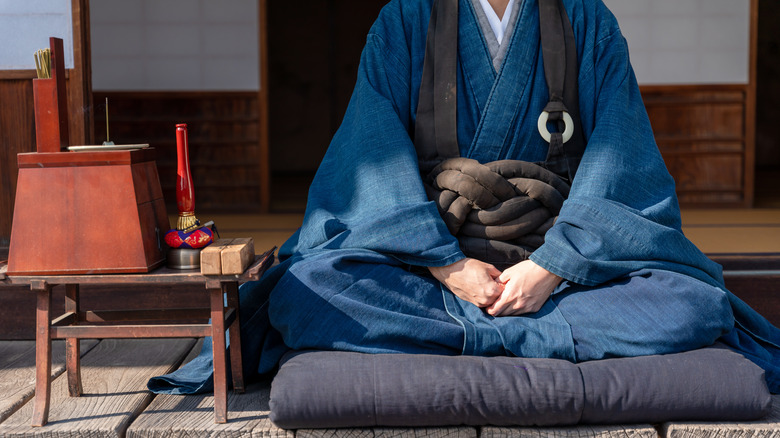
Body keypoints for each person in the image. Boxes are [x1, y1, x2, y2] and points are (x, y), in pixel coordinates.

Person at [149, 0, 780, 394]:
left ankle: (471, 332)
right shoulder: (404, 19)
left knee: (691, 303)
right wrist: (446, 267)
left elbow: (622, 158)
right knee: (307, 292)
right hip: (433, 256)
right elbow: (370, 158)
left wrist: (550, 267)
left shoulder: (587, 20)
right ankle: (528, 333)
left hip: (558, 260)